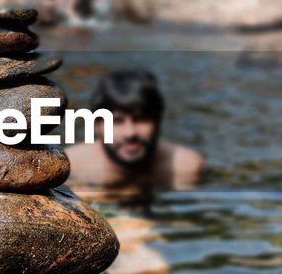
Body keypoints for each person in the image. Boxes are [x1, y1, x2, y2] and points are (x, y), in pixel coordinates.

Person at [67, 68, 204, 193]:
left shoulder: (183, 166)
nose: (130, 132)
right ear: (96, 124)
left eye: (141, 119)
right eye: (117, 121)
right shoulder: (72, 166)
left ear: (157, 121)